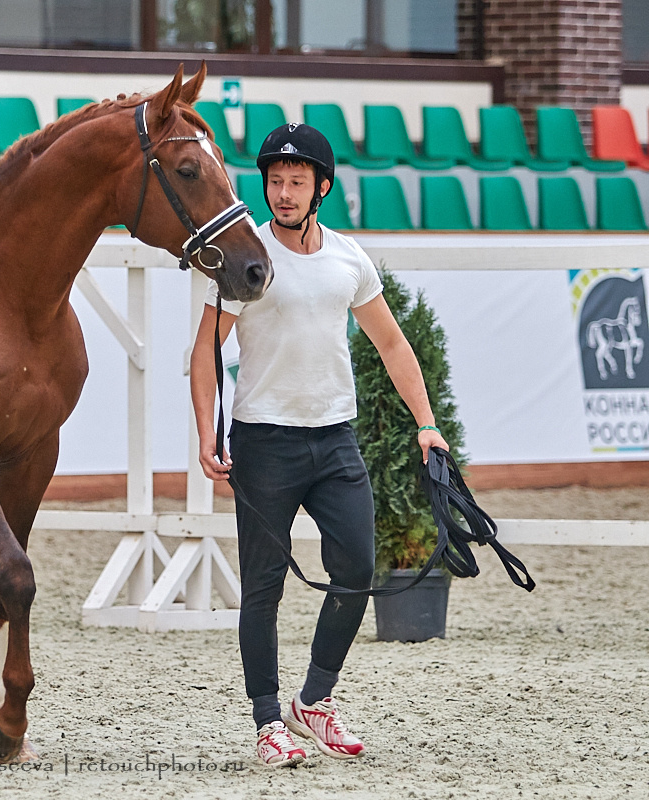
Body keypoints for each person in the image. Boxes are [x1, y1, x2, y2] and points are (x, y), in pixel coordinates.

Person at [189, 123, 451, 768]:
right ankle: (266, 720)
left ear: (321, 188)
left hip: (336, 440)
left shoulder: (349, 260)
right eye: (275, 181)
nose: (282, 192)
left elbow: (391, 343)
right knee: (263, 588)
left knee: (356, 571)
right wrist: (206, 434)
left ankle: (315, 700)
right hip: (264, 442)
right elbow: (203, 353)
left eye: (296, 182)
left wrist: (426, 421)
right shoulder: (247, 262)